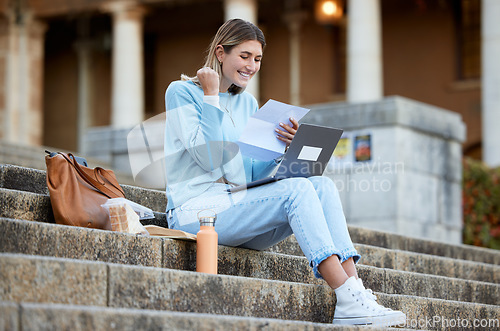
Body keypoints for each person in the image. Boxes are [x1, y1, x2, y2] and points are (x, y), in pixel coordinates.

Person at [164, 18, 406, 327]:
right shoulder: (181, 92)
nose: (252, 65)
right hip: (193, 211)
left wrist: (284, 148)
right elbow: (208, 159)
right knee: (297, 191)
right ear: (221, 52)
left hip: (235, 207)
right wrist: (211, 97)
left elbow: (247, 177)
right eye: (245, 56)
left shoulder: (247, 102)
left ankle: (355, 290)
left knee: (320, 185)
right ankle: (345, 297)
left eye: (258, 59)